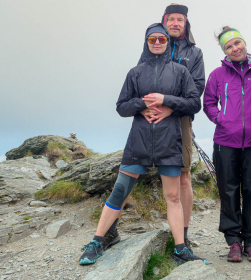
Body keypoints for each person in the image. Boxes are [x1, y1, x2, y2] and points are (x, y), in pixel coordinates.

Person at [79, 23, 207, 266]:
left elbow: (194, 104)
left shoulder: (180, 72)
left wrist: (167, 102)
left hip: (169, 142)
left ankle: (180, 249)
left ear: (168, 42)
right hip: (138, 142)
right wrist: (142, 105)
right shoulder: (135, 72)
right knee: (120, 191)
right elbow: (121, 107)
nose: (157, 42)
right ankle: (97, 241)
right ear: (146, 42)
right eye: (152, 39)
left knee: (173, 196)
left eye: (162, 39)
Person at [203, 27, 251, 263]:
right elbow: (208, 102)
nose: (235, 48)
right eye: (229, 46)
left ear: (245, 43)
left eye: (237, 43)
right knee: (228, 191)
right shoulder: (218, 74)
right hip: (225, 141)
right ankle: (234, 242)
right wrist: (221, 119)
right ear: (224, 51)